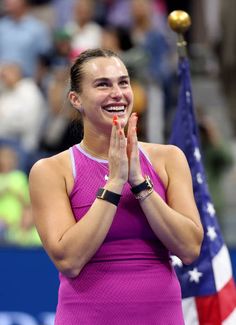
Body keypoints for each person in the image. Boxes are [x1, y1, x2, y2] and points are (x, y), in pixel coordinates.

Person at [29, 48, 204, 324]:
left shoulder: (169, 158)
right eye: (103, 84)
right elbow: (69, 261)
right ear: (76, 99)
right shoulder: (51, 170)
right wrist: (114, 183)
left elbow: (190, 248)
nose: (118, 93)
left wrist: (140, 184)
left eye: (123, 82)